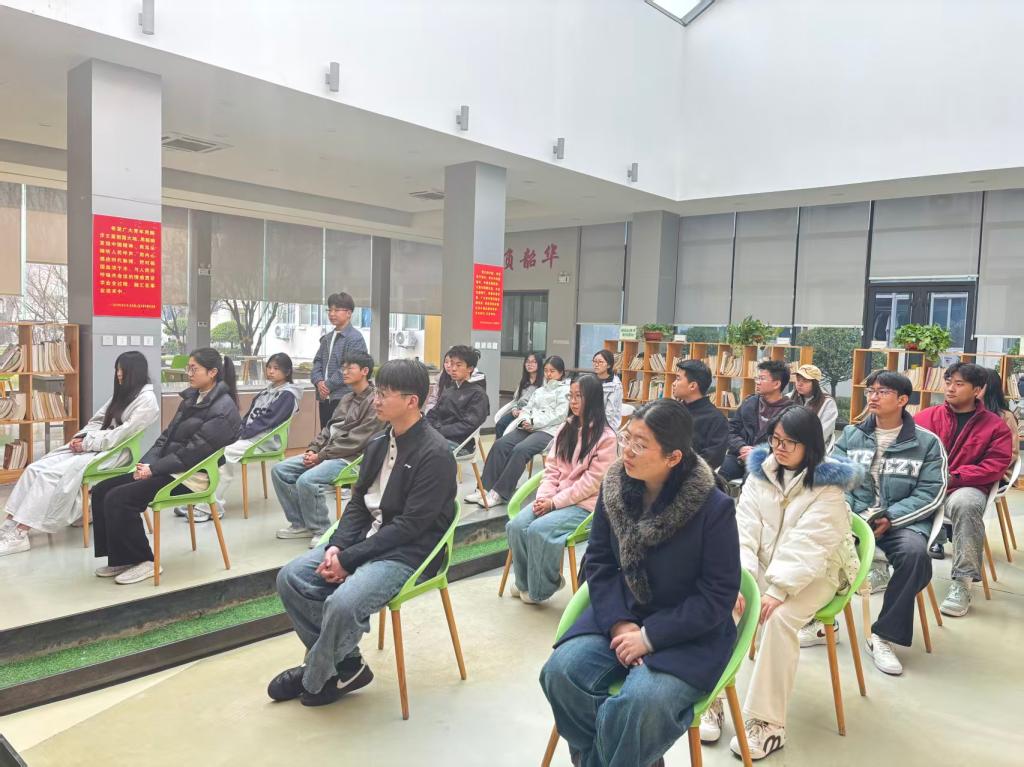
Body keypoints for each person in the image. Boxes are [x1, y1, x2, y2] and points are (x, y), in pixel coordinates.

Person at [539, 399, 740, 767]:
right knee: (560, 674)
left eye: (641, 444)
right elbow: (598, 562)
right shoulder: (614, 487)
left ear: (673, 457)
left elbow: (717, 595)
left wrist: (649, 637)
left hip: (688, 631)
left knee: (641, 703)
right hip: (623, 612)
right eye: (627, 437)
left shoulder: (713, 508)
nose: (627, 451)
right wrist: (620, 623)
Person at [269, 359, 457, 707]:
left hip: (409, 552)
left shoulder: (436, 454)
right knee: (290, 577)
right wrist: (337, 546)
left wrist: (349, 559)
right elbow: (358, 502)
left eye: (384, 394)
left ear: (412, 401)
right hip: (365, 540)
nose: (376, 400)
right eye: (377, 393)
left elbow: (410, 527)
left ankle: (315, 676)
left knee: (344, 603)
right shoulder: (379, 442)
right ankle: (347, 666)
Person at [701, 407, 861, 760]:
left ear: (810, 445)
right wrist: (740, 582)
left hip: (818, 572)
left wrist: (777, 591)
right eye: (775, 439)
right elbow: (742, 530)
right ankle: (712, 699)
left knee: (777, 619)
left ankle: (767, 723)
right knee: (722, 604)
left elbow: (811, 545)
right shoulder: (760, 474)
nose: (780, 448)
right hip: (765, 565)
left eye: (790, 442)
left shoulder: (828, 488)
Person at [804, 370, 946, 676]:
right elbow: (835, 481)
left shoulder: (926, 442)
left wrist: (890, 517)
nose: (873, 397)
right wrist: (850, 514)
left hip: (900, 522)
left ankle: (884, 636)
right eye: (870, 391)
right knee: (812, 539)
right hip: (855, 517)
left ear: (903, 400)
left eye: (882, 392)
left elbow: (932, 493)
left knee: (914, 556)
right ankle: (820, 622)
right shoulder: (852, 435)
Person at [88, 348, 242, 585]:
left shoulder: (223, 409)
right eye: (188, 368)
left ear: (212, 372)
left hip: (192, 477)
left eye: (194, 369)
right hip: (169, 468)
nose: (188, 373)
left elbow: (193, 453)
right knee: (102, 490)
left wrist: (154, 470)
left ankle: (145, 561)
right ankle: (122, 558)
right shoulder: (192, 398)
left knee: (120, 498)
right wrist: (146, 464)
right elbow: (165, 438)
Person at [0, 352, 159, 556]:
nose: (118, 374)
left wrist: (86, 443)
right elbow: (97, 421)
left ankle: (20, 533)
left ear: (135, 372)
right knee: (34, 468)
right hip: (94, 445)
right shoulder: (123, 393)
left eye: (122, 370)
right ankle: (9, 525)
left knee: (50, 476)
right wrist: (81, 438)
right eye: (117, 369)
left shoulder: (147, 401)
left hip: (115, 454)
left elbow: (120, 436)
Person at [505, 374, 616, 603]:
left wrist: (554, 503)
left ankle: (543, 587)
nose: (573, 402)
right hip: (554, 498)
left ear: (593, 399)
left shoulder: (606, 437)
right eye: (571, 396)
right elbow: (552, 468)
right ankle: (525, 583)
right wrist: (544, 498)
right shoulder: (566, 428)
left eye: (579, 397)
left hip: (585, 506)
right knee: (515, 526)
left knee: (539, 529)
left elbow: (590, 484)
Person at [915, 362, 1012, 616]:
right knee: (886, 492)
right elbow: (908, 449)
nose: (950, 388)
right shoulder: (926, 417)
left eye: (959, 384)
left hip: (965, 486)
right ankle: (880, 566)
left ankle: (962, 582)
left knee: (967, 504)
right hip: (927, 485)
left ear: (977, 390)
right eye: (948, 382)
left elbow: (994, 466)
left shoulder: (995, 426)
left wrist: (955, 476)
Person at [173, 353, 301, 523]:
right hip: (249, 437)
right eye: (269, 367)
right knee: (209, 447)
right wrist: (235, 431)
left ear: (287, 372)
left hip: (264, 441)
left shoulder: (288, 395)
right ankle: (198, 498)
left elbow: (268, 422)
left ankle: (211, 507)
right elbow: (249, 418)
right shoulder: (266, 391)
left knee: (223, 455)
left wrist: (240, 434)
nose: (270, 371)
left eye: (276, 368)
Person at [272, 352, 382, 547]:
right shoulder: (347, 398)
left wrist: (321, 456)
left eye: (350, 368)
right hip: (329, 453)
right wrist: (313, 449)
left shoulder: (374, 401)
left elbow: (357, 440)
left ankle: (320, 529)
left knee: (307, 480)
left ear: (365, 371)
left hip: (352, 458)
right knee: (280, 470)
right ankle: (300, 523)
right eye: (343, 368)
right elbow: (329, 428)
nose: (344, 372)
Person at [468, 356, 569, 507]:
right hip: (528, 427)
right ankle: (483, 489)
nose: (548, 374)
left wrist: (534, 422)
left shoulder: (565, 391)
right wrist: (524, 421)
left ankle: (500, 493)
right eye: (546, 370)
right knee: (500, 444)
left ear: (561, 373)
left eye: (552, 371)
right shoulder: (540, 391)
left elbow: (559, 415)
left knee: (520, 450)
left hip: (548, 431)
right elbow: (527, 409)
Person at [721, 360, 794, 481]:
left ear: (776, 384)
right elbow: (730, 430)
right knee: (719, 472)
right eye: (757, 378)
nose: (757, 382)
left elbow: (789, 445)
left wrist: (758, 454)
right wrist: (741, 447)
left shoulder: (791, 412)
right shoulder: (750, 403)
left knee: (751, 478)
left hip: (769, 461)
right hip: (739, 456)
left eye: (762, 378)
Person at [311, 292, 368, 429]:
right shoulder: (327, 337)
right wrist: (319, 382)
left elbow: (348, 368)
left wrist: (327, 386)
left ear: (349, 313)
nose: (332, 314)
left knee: (340, 434)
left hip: (344, 397)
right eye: (330, 310)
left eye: (336, 310)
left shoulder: (355, 338)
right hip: (324, 397)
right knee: (325, 434)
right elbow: (317, 361)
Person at [424, 344, 489, 454]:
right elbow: (433, 413)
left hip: (460, 444)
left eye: (458, 365)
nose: (453, 368)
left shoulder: (478, 395)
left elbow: (468, 425)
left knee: (421, 447)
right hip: (440, 436)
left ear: (470, 368)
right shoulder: (449, 390)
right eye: (451, 364)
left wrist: (439, 430)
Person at [672, 359, 729, 470]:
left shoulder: (716, 419)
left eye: (678, 379)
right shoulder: (672, 410)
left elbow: (712, 458)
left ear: (692, 386)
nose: (673, 383)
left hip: (692, 474)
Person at [982, 367, 1020, 480]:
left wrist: (986, 470)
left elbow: (1012, 452)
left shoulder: (1006, 417)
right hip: (968, 471)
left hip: (995, 473)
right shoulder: (969, 412)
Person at [789, 364, 839, 444]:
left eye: (805, 381)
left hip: (813, 446)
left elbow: (823, 432)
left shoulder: (827, 403)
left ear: (815, 383)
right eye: (798, 380)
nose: (799, 384)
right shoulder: (790, 397)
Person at [496, 352, 542, 438]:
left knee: (512, 430)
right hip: (517, 411)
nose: (530, 364)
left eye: (533, 362)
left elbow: (540, 404)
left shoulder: (543, 383)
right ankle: (499, 445)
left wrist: (525, 411)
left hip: (530, 414)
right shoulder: (524, 381)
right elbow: (516, 399)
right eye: (527, 361)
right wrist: (514, 409)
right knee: (500, 424)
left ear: (539, 364)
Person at [592, 349, 623, 431]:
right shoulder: (590, 380)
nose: (596, 364)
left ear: (609, 365)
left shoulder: (615, 385)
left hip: (607, 427)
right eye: (594, 361)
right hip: (590, 422)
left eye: (600, 362)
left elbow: (609, 414)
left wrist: (594, 427)